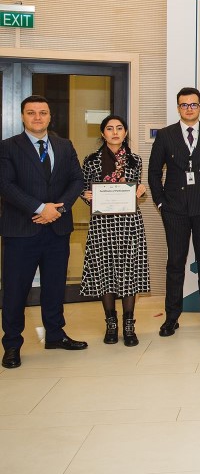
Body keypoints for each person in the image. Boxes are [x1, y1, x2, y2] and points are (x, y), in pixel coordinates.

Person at [0, 95, 86, 369]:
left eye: (43, 112)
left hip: (57, 229)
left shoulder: (64, 145)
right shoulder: (8, 147)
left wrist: (57, 209)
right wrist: (39, 208)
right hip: (21, 230)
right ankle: (12, 344)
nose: (37, 117)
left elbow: (77, 180)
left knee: (54, 286)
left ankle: (55, 335)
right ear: (22, 116)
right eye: (31, 113)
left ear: (50, 116)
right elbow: (5, 185)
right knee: (15, 290)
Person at [148, 87, 200, 336]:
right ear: (178, 107)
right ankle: (171, 317)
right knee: (175, 264)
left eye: (193, 104)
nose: (189, 109)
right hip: (175, 210)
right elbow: (153, 172)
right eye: (184, 105)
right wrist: (161, 203)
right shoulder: (165, 135)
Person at [80, 115, 150, 347]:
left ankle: (129, 324)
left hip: (129, 223)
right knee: (105, 271)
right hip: (102, 224)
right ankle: (111, 323)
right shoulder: (91, 161)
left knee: (130, 272)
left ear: (125, 132)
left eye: (119, 128)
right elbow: (83, 189)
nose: (115, 132)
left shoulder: (135, 160)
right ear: (103, 133)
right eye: (110, 129)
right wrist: (85, 196)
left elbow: (136, 190)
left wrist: (140, 191)